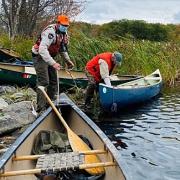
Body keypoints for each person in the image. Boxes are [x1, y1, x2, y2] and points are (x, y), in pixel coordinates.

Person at [32, 14, 74, 114]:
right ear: (58, 23)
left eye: (67, 25)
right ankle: (40, 108)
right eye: (63, 25)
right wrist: (53, 63)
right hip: (40, 55)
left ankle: (49, 103)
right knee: (44, 81)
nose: (65, 27)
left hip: (50, 56)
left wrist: (68, 61)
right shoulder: (50, 32)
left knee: (54, 82)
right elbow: (42, 49)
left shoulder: (64, 34)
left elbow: (63, 49)